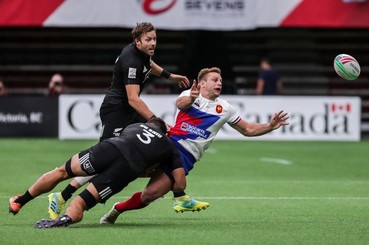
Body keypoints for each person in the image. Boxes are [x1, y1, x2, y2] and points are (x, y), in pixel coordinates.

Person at [99, 67, 289, 224]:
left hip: (186, 157)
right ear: (203, 83)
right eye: (215, 79)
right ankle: (91, 182)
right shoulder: (190, 95)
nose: (219, 83)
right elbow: (181, 103)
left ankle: (116, 210)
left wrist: (270, 126)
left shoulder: (226, 109)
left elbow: (247, 129)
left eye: (221, 80)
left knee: (150, 195)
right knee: (126, 170)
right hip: (166, 145)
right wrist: (191, 97)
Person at [46, 22, 192, 219]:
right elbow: (133, 98)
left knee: (156, 135)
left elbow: (149, 65)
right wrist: (152, 118)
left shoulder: (141, 52)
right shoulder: (131, 59)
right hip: (117, 111)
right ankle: (61, 196)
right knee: (102, 160)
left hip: (129, 110)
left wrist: (170, 76)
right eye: (149, 39)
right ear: (137, 41)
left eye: (155, 39)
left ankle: (165, 183)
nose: (153, 43)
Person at [9, 117, 186, 228]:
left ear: (148, 124)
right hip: (126, 170)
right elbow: (180, 183)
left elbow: (126, 143)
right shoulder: (169, 146)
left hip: (110, 149)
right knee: (80, 203)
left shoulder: (135, 126)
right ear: (164, 132)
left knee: (62, 172)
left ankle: (19, 201)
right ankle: (66, 219)